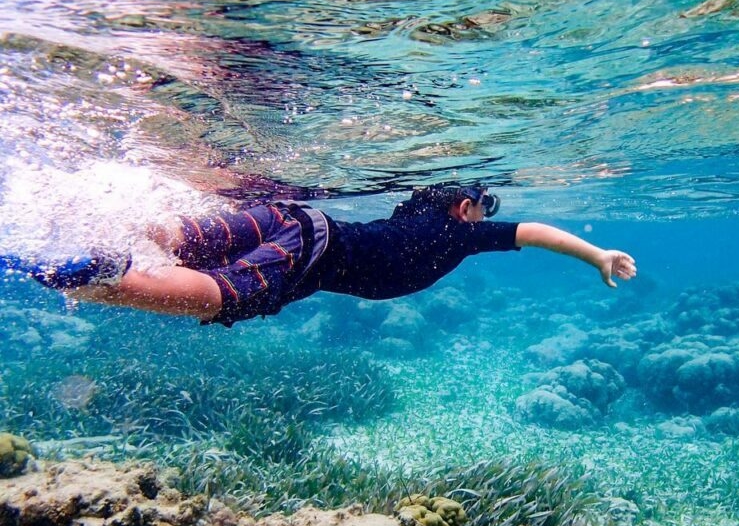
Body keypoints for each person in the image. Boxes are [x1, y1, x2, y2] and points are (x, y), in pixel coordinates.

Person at [6, 183, 636, 327]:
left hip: (297, 219)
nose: (489, 216)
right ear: (464, 207)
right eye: (483, 204)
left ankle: (102, 224)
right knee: (224, 297)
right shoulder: (460, 233)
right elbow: (540, 232)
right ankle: (107, 282)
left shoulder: (407, 216)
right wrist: (597, 254)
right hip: (314, 248)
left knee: (188, 237)